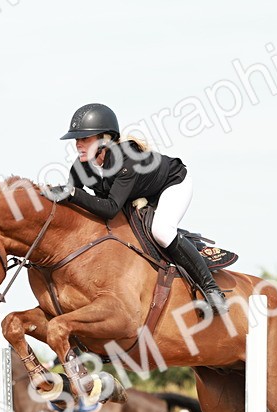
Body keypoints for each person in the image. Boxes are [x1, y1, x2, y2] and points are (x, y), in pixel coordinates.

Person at [41, 103, 228, 315]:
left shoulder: (125, 160)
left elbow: (109, 208)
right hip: (134, 193)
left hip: (173, 184)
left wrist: (72, 193)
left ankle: (213, 291)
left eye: (84, 138)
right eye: (76, 139)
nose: (78, 144)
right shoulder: (81, 165)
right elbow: (74, 198)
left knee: (162, 232)